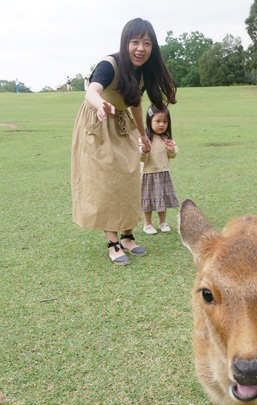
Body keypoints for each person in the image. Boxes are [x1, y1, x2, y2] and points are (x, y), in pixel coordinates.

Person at [71, 18, 176, 265]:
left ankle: (128, 236)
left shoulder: (141, 72)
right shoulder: (110, 65)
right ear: (125, 43)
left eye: (147, 43)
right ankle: (113, 242)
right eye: (135, 41)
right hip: (97, 123)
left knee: (130, 177)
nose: (141, 48)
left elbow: (135, 103)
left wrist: (142, 134)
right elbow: (91, 92)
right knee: (107, 182)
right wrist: (101, 106)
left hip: (121, 121)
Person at [140, 105, 179, 234]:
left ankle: (163, 222)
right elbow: (139, 157)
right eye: (158, 121)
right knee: (148, 200)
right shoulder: (144, 138)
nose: (161, 125)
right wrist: (144, 151)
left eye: (165, 121)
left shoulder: (166, 137)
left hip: (163, 173)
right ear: (149, 120)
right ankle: (147, 224)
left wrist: (171, 149)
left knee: (162, 198)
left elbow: (172, 155)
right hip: (148, 173)